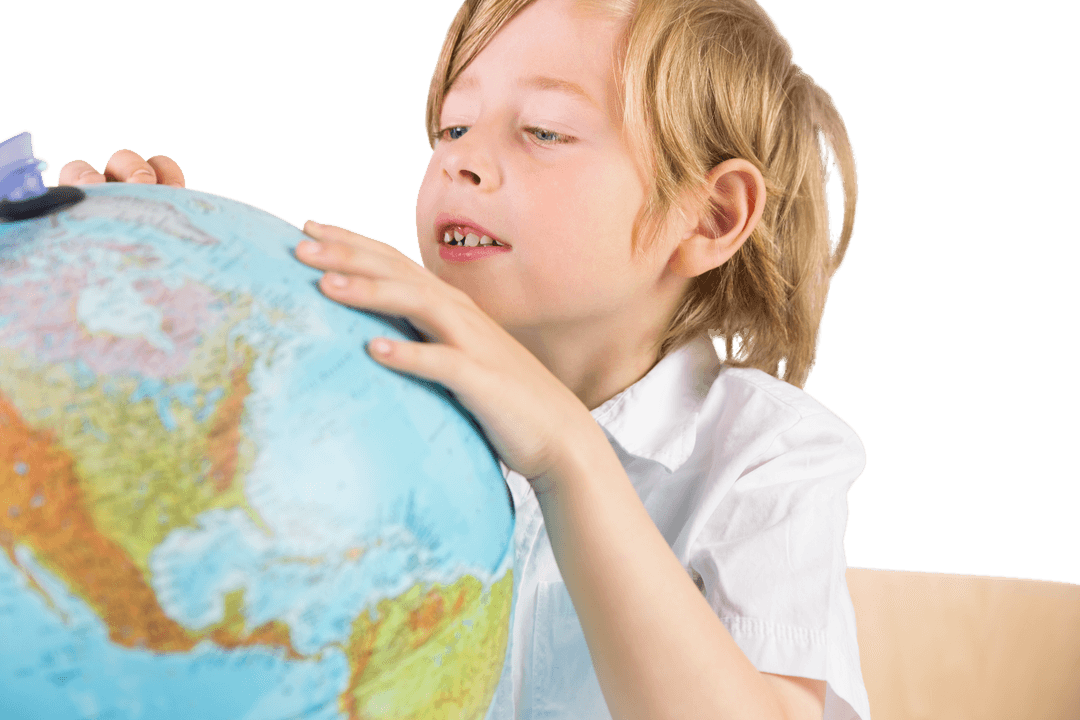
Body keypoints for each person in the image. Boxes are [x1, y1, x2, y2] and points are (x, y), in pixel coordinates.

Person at [57, 0, 866, 717]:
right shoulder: (362, 388)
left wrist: (567, 454)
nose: (460, 161)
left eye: (544, 131)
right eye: (452, 127)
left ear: (711, 216)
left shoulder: (773, 454)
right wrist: (158, 294)